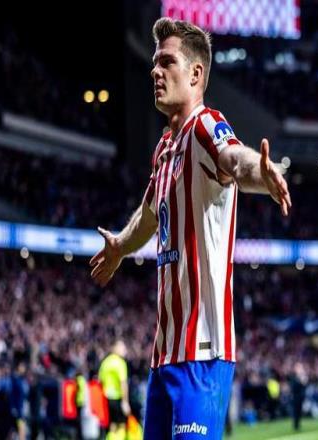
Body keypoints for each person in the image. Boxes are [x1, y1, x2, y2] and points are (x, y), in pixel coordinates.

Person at [90, 17, 291, 440]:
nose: (155, 71)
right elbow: (149, 215)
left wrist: (262, 172)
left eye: (167, 62)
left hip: (203, 354)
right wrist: (120, 247)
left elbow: (235, 160)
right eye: (154, 63)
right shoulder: (165, 149)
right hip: (164, 356)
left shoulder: (205, 126)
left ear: (196, 74)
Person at [98, 340, 131, 438]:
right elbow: (123, 383)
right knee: (120, 426)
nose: (125, 350)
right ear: (115, 348)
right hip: (117, 398)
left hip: (106, 399)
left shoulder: (105, 362)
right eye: (122, 347)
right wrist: (125, 402)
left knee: (111, 426)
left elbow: (100, 381)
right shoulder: (120, 363)